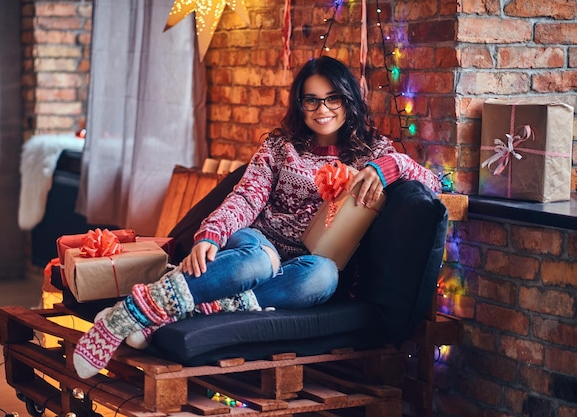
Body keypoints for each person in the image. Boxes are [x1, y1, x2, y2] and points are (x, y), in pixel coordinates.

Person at [73, 56, 440, 379]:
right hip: (258, 244)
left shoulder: (372, 150)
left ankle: (182, 309)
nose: (322, 109)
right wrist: (210, 236)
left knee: (324, 276)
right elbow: (247, 196)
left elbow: (433, 183)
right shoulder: (280, 147)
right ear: (300, 104)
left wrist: (385, 168)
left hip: (306, 266)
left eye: (332, 98)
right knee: (260, 261)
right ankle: (132, 311)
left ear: (348, 100)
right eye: (311, 99)